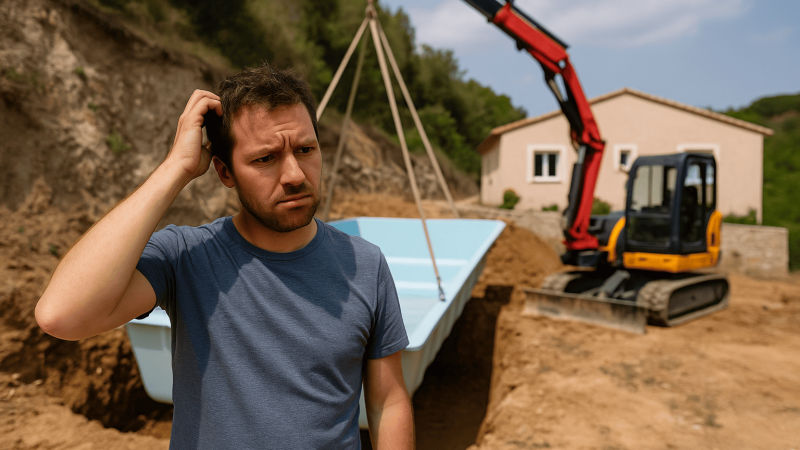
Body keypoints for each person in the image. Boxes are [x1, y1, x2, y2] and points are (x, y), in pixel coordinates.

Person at [35, 64, 415, 449]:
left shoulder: (365, 264)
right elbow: (62, 315)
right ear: (225, 171)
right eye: (265, 159)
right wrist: (176, 168)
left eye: (305, 149)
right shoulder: (186, 257)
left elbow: (389, 402)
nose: (295, 174)